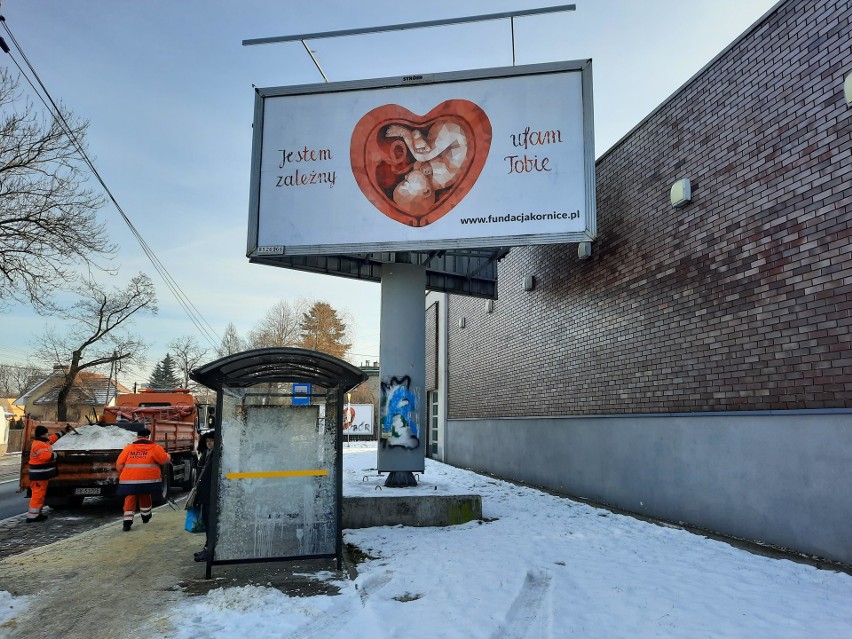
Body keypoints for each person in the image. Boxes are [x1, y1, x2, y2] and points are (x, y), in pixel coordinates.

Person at [115, 427, 170, 532]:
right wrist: (168, 456)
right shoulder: (155, 448)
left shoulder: (128, 448)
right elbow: (163, 460)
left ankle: (127, 522)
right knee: (145, 495)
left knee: (130, 498)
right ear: (148, 437)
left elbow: (119, 465)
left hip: (129, 481)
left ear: (137, 437)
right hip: (148, 480)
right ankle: (145, 517)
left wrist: (127, 473)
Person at [26, 424, 72, 522]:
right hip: (38, 475)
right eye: (46, 433)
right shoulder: (39, 445)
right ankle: (32, 516)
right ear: (43, 434)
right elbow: (46, 457)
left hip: (40, 475)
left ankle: (37, 513)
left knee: (40, 494)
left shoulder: (42, 442)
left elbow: (52, 438)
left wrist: (63, 432)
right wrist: (57, 454)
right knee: (37, 495)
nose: (48, 435)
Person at [193, 431, 215, 562]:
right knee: (206, 521)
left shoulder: (217, 455)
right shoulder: (206, 454)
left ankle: (210, 550)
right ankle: (207, 547)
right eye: (207, 441)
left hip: (210, 494)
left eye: (212, 441)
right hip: (205, 494)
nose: (209, 444)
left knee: (211, 522)